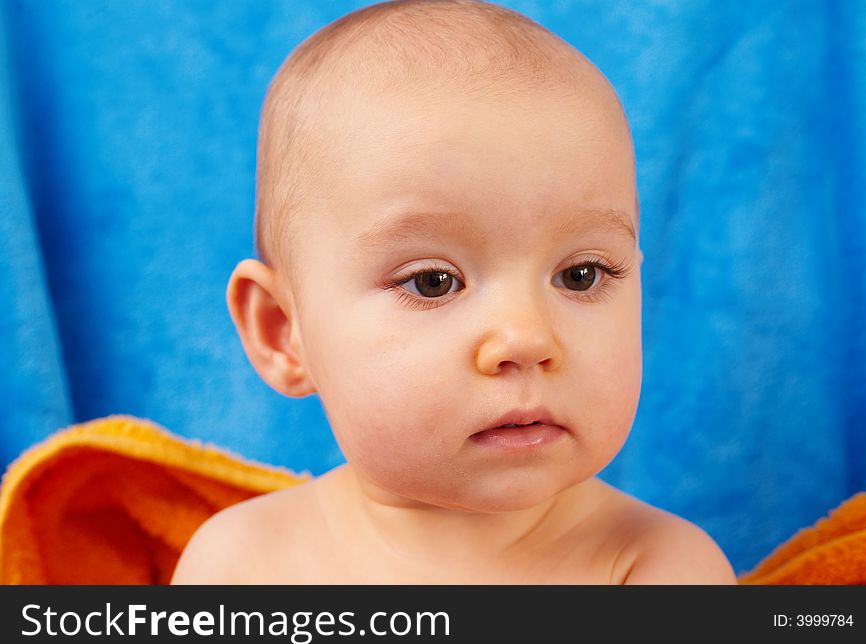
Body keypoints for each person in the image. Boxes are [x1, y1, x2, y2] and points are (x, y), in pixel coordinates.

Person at [172, 0, 736, 584]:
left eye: (581, 274)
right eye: (433, 282)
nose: (525, 338)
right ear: (283, 332)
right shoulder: (242, 563)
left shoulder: (655, 568)